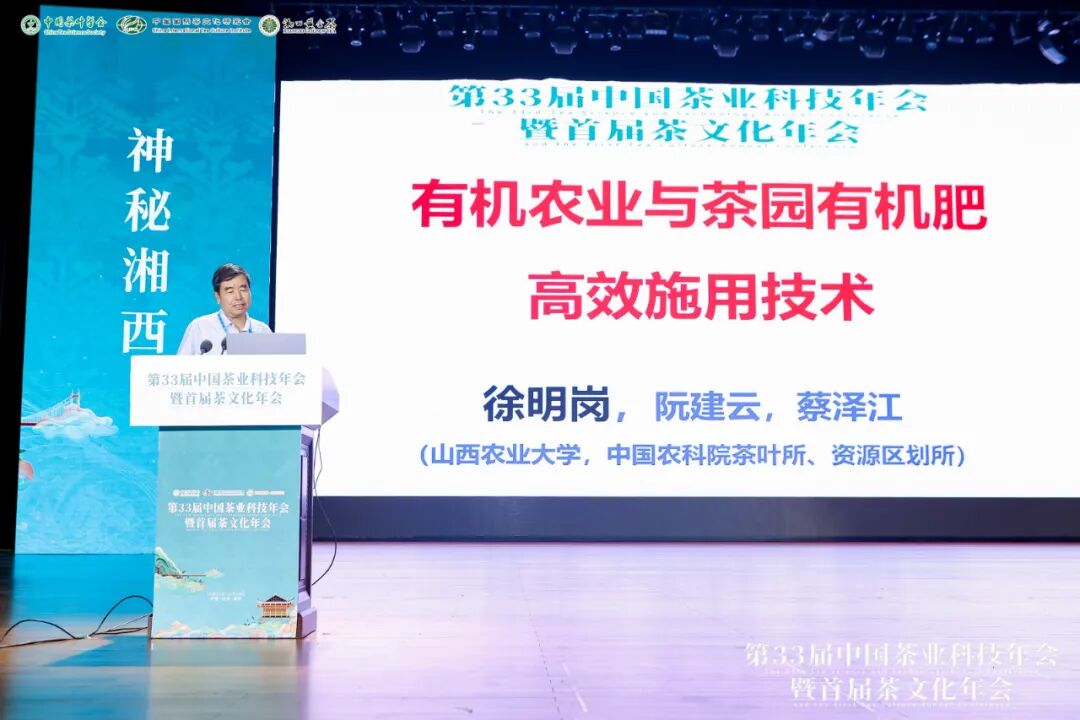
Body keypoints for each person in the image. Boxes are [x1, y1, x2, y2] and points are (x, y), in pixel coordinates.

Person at [177, 263, 271, 355]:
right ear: (218, 296)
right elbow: (181, 365)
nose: (238, 297)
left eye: (243, 289)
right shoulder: (200, 327)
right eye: (230, 291)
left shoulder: (263, 331)